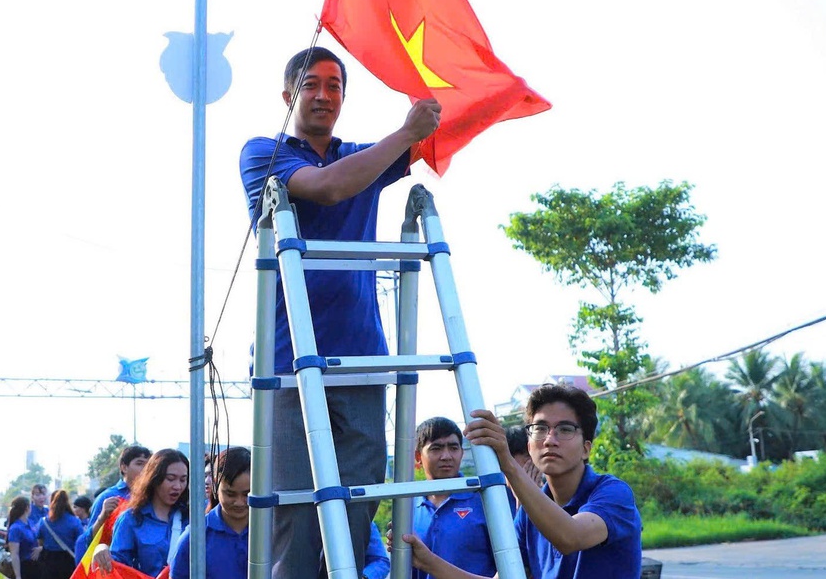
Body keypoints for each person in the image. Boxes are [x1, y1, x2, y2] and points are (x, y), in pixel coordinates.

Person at [239, 46, 441, 577]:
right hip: (291, 363)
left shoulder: (361, 156)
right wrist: (403, 134)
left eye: (334, 85)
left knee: (356, 507)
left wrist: (444, 102)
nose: (323, 95)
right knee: (297, 513)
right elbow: (327, 189)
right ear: (288, 96)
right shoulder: (265, 152)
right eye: (310, 85)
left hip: (362, 359)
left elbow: (441, 125)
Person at [403, 384, 643, 579]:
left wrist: (507, 464)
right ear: (530, 445)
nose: (550, 440)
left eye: (565, 429)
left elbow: (571, 537)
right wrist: (429, 562)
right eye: (540, 428)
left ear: (586, 449)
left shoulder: (612, 494)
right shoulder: (528, 515)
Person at [408, 417, 497, 579]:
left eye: (453, 448)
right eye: (436, 448)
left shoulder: (485, 499)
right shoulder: (407, 506)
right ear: (418, 457)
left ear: (462, 452)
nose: (446, 456)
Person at [105, 448, 190, 577]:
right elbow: (118, 570)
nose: (177, 486)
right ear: (154, 478)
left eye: (183, 480)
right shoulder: (130, 519)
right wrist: (101, 549)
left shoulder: (193, 519)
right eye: (170, 479)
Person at [169, 446, 251, 579]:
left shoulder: (271, 532)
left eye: (247, 494)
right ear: (215, 487)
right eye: (230, 494)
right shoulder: (196, 537)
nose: (239, 502)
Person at [75, 444, 153, 565]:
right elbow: (89, 541)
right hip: (113, 566)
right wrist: (102, 517)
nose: (145, 469)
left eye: (148, 465)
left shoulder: (152, 497)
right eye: (139, 463)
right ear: (124, 467)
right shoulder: (107, 497)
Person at [37, 489, 83, 579]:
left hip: (48, 560)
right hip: (68, 560)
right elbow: (80, 541)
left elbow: (40, 540)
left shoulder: (44, 521)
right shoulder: (75, 521)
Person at [5, 496, 41, 579]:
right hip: (24, 566)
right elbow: (15, 554)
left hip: (36, 566)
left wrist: (40, 548)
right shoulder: (16, 528)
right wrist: (18, 576)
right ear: (27, 508)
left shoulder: (30, 523)